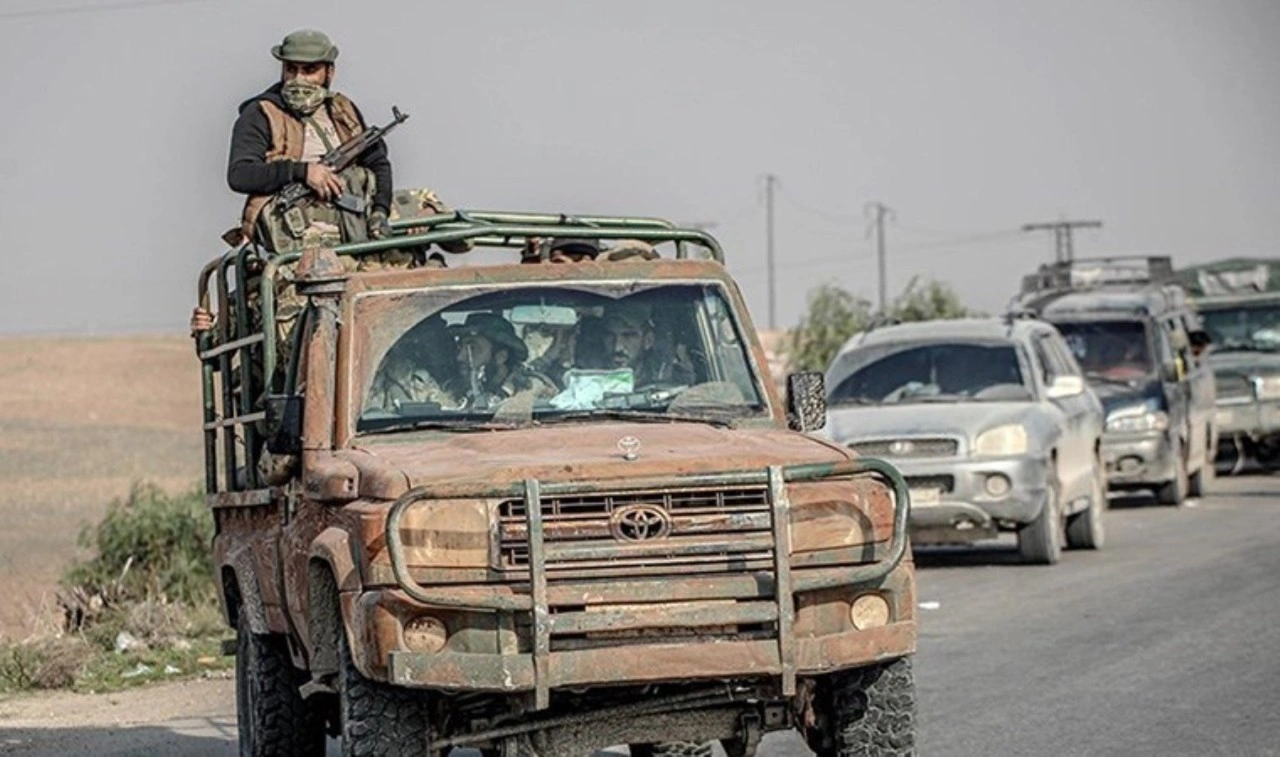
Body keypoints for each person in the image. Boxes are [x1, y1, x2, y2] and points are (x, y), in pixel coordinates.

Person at [224, 28, 392, 253]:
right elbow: (240, 174)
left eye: (309, 70)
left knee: (425, 208)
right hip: (296, 227)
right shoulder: (261, 113)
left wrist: (380, 211)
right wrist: (303, 172)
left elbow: (378, 163)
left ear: (329, 72)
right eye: (291, 69)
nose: (298, 79)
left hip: (355, 216)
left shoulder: (343, 110)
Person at [449, 313, 555, 408]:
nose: (459, 357)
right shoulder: (463, 389)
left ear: (501, 356)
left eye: (472, 349)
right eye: (460, 347)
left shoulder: (529, 387)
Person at [596, 302, 696, 386]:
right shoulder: (591, 379)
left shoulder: (670, 380)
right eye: (609, 335)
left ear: (648, 340)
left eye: (628, 335)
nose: (617, 347)